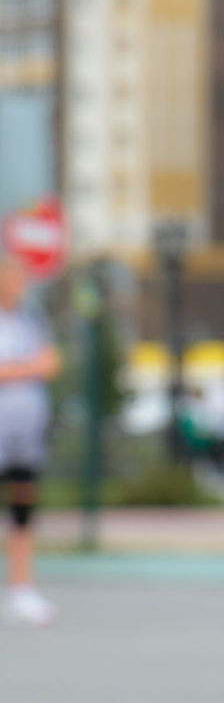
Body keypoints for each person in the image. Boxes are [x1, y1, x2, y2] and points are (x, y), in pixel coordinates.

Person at [0, 253, 57, 627]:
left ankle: (22, 588)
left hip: (26, 434)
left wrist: (15, 369)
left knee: (23, 509)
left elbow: (50, 363)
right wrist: (27, 368)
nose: (18, 285)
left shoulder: (31, 320)